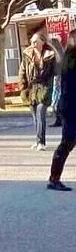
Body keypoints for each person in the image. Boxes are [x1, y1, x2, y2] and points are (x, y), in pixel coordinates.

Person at [18, 32, 56, 151]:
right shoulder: (27, 54)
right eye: (32, 41)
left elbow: (55, 71)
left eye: (36, 41)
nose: (33, 43)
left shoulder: (50, 55)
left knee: (40, 113)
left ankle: (41, 142)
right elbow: (22, 71)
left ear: (43, 42)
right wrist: (22, 88)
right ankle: (37, 140)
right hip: (31, 87)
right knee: (35, 115)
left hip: (44, 86)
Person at [48, 33, 76, 191]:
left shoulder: (68, 57)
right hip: (71, 107)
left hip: (69, 105)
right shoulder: (71, 60)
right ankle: (54, 178)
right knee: (67, 143)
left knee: (67, 143)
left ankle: (54, 178)